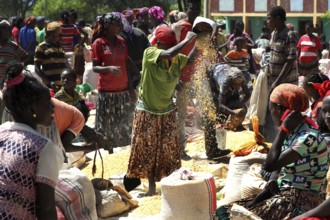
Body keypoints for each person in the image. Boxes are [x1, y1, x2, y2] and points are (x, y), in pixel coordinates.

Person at [229, 84, 328, 220]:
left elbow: (270, 165)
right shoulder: (296, 131)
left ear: (280, 109)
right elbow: (276, 168)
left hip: (301, 200)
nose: (271, 113)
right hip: (289, 193)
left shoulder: (307, 136)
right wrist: (270, 184)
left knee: (233, 216)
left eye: (271, 109)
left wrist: (283, 130)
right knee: (229, 210)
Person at [126, 26, 197, 197]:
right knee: (149, 149)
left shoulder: (175, 59)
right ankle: (151, 188)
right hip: (147, 111)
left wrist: (198, 42)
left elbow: (189, 60)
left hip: (166, 111)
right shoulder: (150, 53)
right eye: (166, 46)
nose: (167, 49)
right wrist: (186, 41)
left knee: (167, 150)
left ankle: (170, 185)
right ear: (158, 44)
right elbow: (166, 54)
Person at [0, 61, 64, 219]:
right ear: (33, 110)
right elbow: (46, 210)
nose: (53, 108)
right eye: (48, 104)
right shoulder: (43, 148)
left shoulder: (2, 131)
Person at [91, 13, 136, 149]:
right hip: (107, 93)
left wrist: (131, 88)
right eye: (117, 24)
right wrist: (109, 68)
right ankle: (108, 150)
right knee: (107, 126)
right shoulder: (98, 43)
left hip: (123, 91)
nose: (121, 26)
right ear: (108, 26)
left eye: (121, 24)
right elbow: (95, 67)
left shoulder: (122, 41)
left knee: (124, 124)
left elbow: (126, 63)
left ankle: (122, 152)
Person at [263, 6, 299, 142]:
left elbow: (290, 61)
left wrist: (277, 82)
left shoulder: (289, 35)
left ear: (278, 18)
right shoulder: (274, 33)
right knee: (276, 109)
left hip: (285, 82)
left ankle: (288, 139)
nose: (267, 22)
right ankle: (277, 138)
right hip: (274, 80)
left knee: (286, 111)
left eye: (269, 18)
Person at [172, 0, 201, 160]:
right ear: (187, 9)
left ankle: (180, 148)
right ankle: (178, 149)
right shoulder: (179, 27)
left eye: (197, 8)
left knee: (185, 114)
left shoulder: (200, 29)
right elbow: (171, 52)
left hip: (192, 78)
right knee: (178, 115)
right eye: (192, 8)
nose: (194, 11)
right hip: (177, 78)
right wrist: (175, 76)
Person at [0, 20, 29, 124]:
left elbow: (25, 57)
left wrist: (18, 66)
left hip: (10, 83)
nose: (10, 32)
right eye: (8, 29)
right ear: (1, 31)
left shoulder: (13, 46)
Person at [35, 21, 69, 88]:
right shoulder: (41, 47)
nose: (55, 38)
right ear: (48, 34)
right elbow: (37, 68)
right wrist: (49, 82)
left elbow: (65, 65)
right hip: (49, 86)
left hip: (62, 85)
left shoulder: (60, 48)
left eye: (57, 36)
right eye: (53, 35)